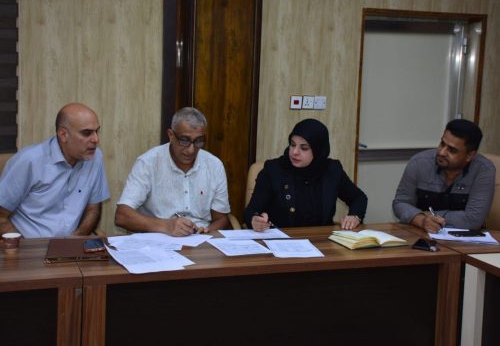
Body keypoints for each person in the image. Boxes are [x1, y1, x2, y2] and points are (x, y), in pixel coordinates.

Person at [115, 107, 230, 236]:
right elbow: (122, 216)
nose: (191, 150)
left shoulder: (214, 165)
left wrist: (207, 232)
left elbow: (221, 219)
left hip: (200, 242)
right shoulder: (148, 163)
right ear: (170, 135)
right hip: (158, 240)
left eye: (198, 141)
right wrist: (166, 225)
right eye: (184, 140)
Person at [0, 103, 110, 238]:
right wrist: (25, 247)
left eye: (97, 131)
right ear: (63, 134)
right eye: (86, 133)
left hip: (70, 246)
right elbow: (1, 217)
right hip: (31, 246)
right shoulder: (29, 161)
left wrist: (75, 240)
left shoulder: (95, 157)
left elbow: (93, 209)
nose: (96, 139)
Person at [244, 118, 367, 231]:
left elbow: (358, 197)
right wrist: (255, 220)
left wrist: (354, 216)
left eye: (304, 148)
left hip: (321, 244)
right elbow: (251, 211)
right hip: (281, 244)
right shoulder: (273, 170)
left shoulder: (332, 170)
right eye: (292, 145)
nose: (295, 152)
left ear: (318, 150)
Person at [393, 119, 495, 233]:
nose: (442, 152)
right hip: (420, 233)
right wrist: (422, 220)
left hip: (465, 239)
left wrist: (427, 215)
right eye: (442, 144)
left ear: (469, 155)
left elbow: (474, 219)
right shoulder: (419, 163)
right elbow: (400, 203)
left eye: (452, 150)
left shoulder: (484, 170)